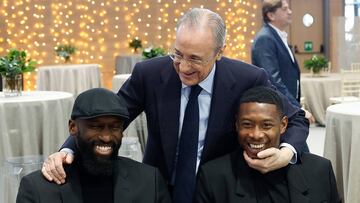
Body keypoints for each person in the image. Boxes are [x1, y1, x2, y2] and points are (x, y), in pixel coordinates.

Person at [42, 8, 309, 203]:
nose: (182, 67)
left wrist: (286, 153)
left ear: (219, 52)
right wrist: (68, 149)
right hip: (159, 189)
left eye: (195, 59)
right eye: (177, 54)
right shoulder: (149, 73)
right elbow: (108, 117)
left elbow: (295, 117)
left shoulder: (247, 78)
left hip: (221, 190)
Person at [16, 88, 171, 203]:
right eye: (96, 127)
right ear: (73, 127)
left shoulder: (149, 181)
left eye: (114, 127)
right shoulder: (37, 188)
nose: (106, 137)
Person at [196, 86, 341, 203]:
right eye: (247, 124)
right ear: (237, 125)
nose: (256, 135)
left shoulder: (320, 170)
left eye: (266, 125)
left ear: (283, 125)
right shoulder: (213, 178)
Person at [251, 0, 315, 123]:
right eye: (285, 9)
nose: (290, 12)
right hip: (277, 108)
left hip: (285, 106)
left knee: (294, 141)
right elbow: (273, 80)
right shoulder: (265, 38)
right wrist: (297, 109)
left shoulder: (277, 35)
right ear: (271, 15)